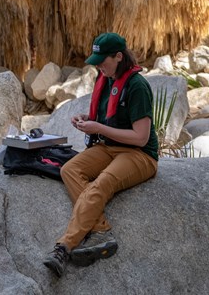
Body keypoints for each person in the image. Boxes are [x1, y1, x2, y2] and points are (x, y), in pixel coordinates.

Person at [43, 32, 159, 277]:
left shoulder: (137, 86)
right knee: (69, 170)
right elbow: (108, 118)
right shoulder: (106, 78)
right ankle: (101, 230)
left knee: (102, 184)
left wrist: (99, 128)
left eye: (102, 61)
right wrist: (87, 119)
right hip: (108, 147)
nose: (98, 66)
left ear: (118, 57)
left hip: (139, 155)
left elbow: (141, 137)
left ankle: (63, 247)